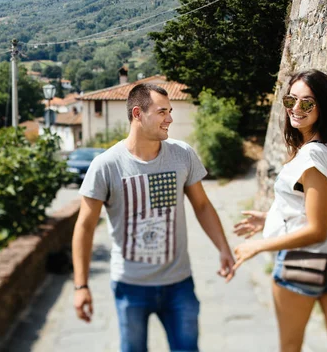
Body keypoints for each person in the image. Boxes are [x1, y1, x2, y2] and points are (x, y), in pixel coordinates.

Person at [72, 83, 235, 352]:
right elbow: (85, 227)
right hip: (130, 286)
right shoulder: (106, 165)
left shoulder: (182, 154)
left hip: (179, 283)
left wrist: (223, 247)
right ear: (138, 113)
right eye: (162, 112)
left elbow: (202, 206)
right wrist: (81, 285)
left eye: (169, 111)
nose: (170, 118)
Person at [232, 70, 327, 352]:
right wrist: (270, 217)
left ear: (323, 106)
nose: (295, 109)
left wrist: (258, 246)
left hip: (302, 265)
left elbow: (316, 230)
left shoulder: (311, 157)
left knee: (290, 347)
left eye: (307, 103)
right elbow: (324, 210)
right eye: (291, 100)